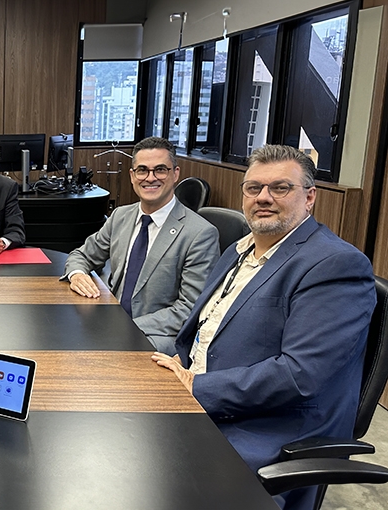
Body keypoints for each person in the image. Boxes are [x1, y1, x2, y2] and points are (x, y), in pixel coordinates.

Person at [153, 144, 376, 510]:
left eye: (280, 188)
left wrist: (195, 385)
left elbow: (300, 375)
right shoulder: (239, 250)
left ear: (310, 197)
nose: (264, 198)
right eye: (253, 188)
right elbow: (200, 333)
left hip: (268, 428)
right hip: (204, 399)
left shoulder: (335, 265)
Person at [62, 136, 220, 354]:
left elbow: (189, 309)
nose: (150, 178)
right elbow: (82, 255)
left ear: (175, 174)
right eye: (142, 170)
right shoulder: (120, 216)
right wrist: (78, 274)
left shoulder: (200, 234)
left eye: (160, 170)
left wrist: (125, 327)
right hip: (110, 322)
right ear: (132, 176)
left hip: (156, 336)